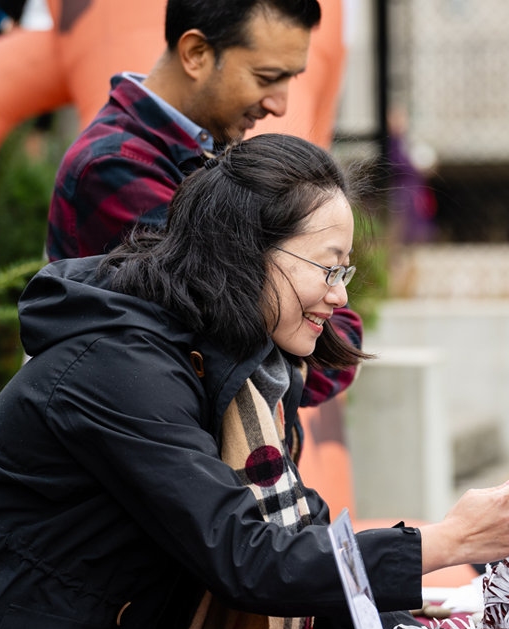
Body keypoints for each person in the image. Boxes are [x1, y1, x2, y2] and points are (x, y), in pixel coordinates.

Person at [0, 135, 509, 629]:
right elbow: (247, 555)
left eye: (344, 272)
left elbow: (290, 525)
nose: (336, 297)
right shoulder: (117, 369)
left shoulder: (235, 361)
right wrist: (444, 541)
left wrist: (397, 625)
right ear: (243, 252)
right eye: (327, 268)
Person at [47, 0, 362, 408]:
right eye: (267, 77)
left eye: (290, 79)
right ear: (196, 53)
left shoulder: (209, 155)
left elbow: (314, 333)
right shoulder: (117, 167)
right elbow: (234, 350)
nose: (279, 104)